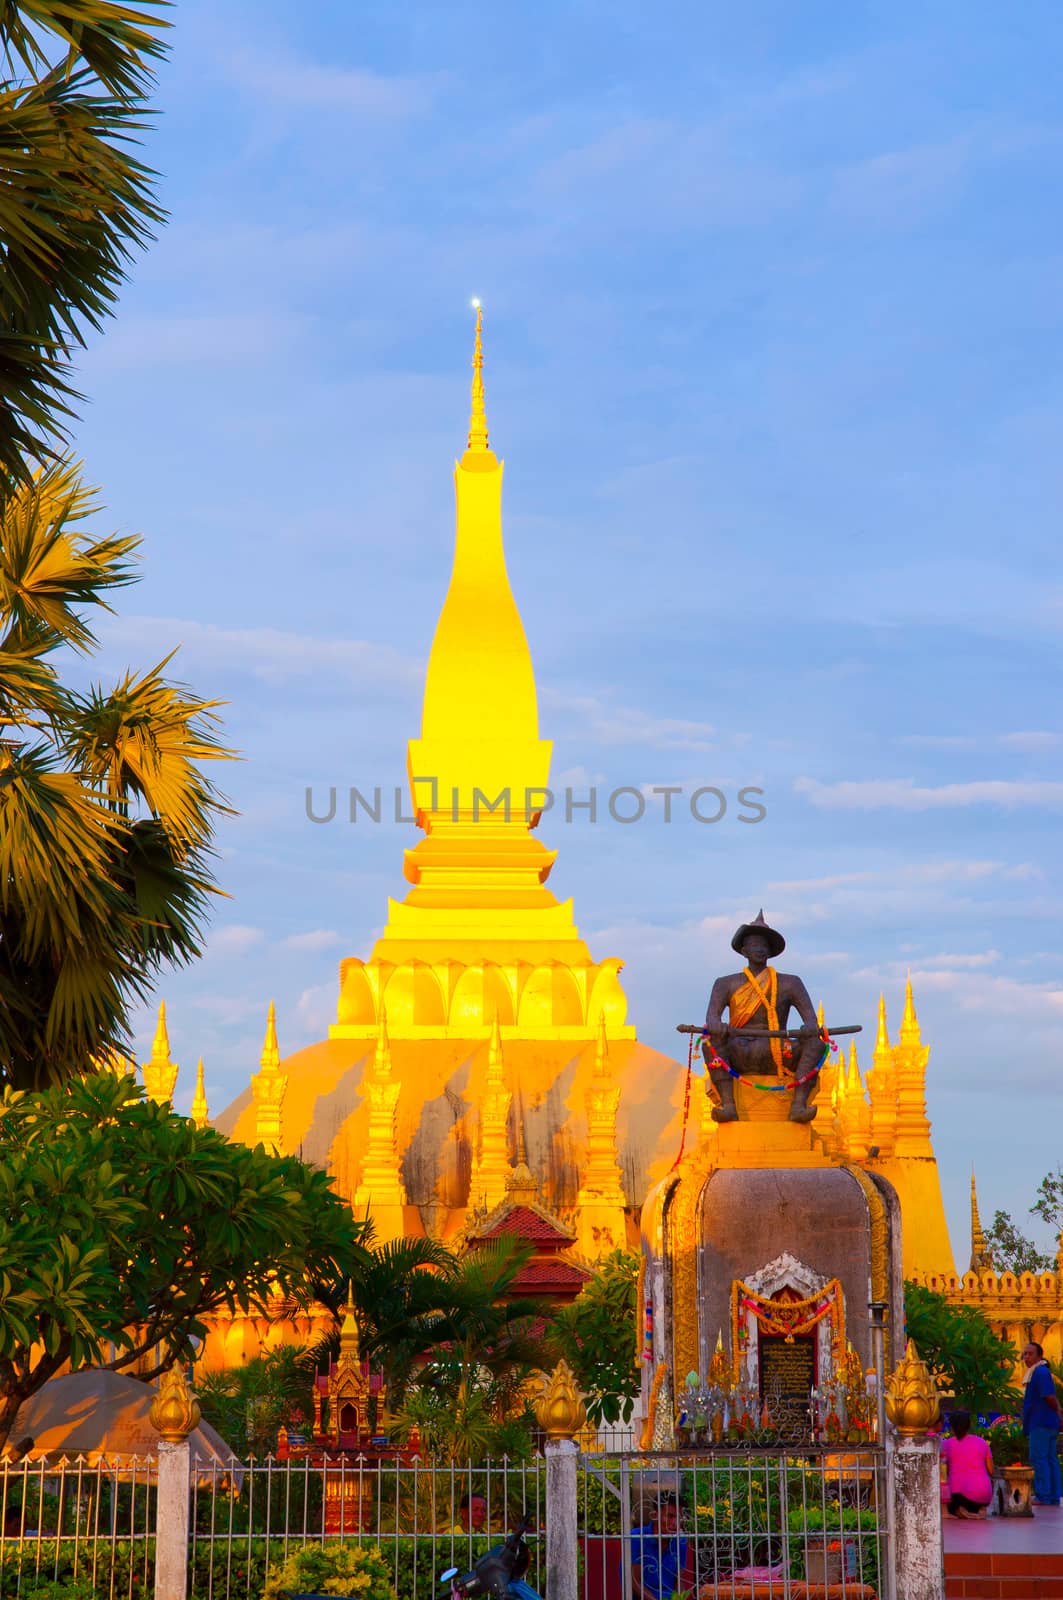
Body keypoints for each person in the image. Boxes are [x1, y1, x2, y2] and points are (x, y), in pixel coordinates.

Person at [703, 913, 823, 1124]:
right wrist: (717, 1026)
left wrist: (809, 1028)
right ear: (744, 950)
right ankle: (728, 1105)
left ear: (770, 951)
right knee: (710, 1042)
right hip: (740, 1048)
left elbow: (811, 1020)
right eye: (754, 944)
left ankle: (799, 1105)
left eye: (764, 945)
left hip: (778, 1049)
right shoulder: (725, 983)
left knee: (816, 1044)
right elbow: (712, 1017)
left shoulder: (790, 983)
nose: (760, 948)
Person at [1022, 1341, 1062, 1507]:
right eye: (1024, 1354)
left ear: (1039, 1356)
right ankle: (1052, 1495)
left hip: (1041, 1423)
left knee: (1039, 1458)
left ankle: (1043, 1495)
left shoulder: (1039, 1372)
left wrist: (1059, 1410)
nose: (1026, 1357)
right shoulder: (1039, 1372)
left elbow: (1048, 1396)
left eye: (1030, 1354)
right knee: (1050, 1458)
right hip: (1047, 1423)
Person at [631, 1493, 689, 1600]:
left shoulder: (681, 1541)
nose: (676, 1523)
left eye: (679, 1517)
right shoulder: (636, 1537)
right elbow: (634, 1582)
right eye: (670, 1516)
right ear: (655, 1515)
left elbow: (680, 1580)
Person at [940, 1410, 994, 1519]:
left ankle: (960, 1510)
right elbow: (991, 1470)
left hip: (958, 1497)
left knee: (948, 1488)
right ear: (969, 1426)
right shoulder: (982, 1442)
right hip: (983, 1495)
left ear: (951, 1426)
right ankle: (980, 1509)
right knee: (986, 1482)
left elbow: (944, 1471)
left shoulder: (945, 1445)